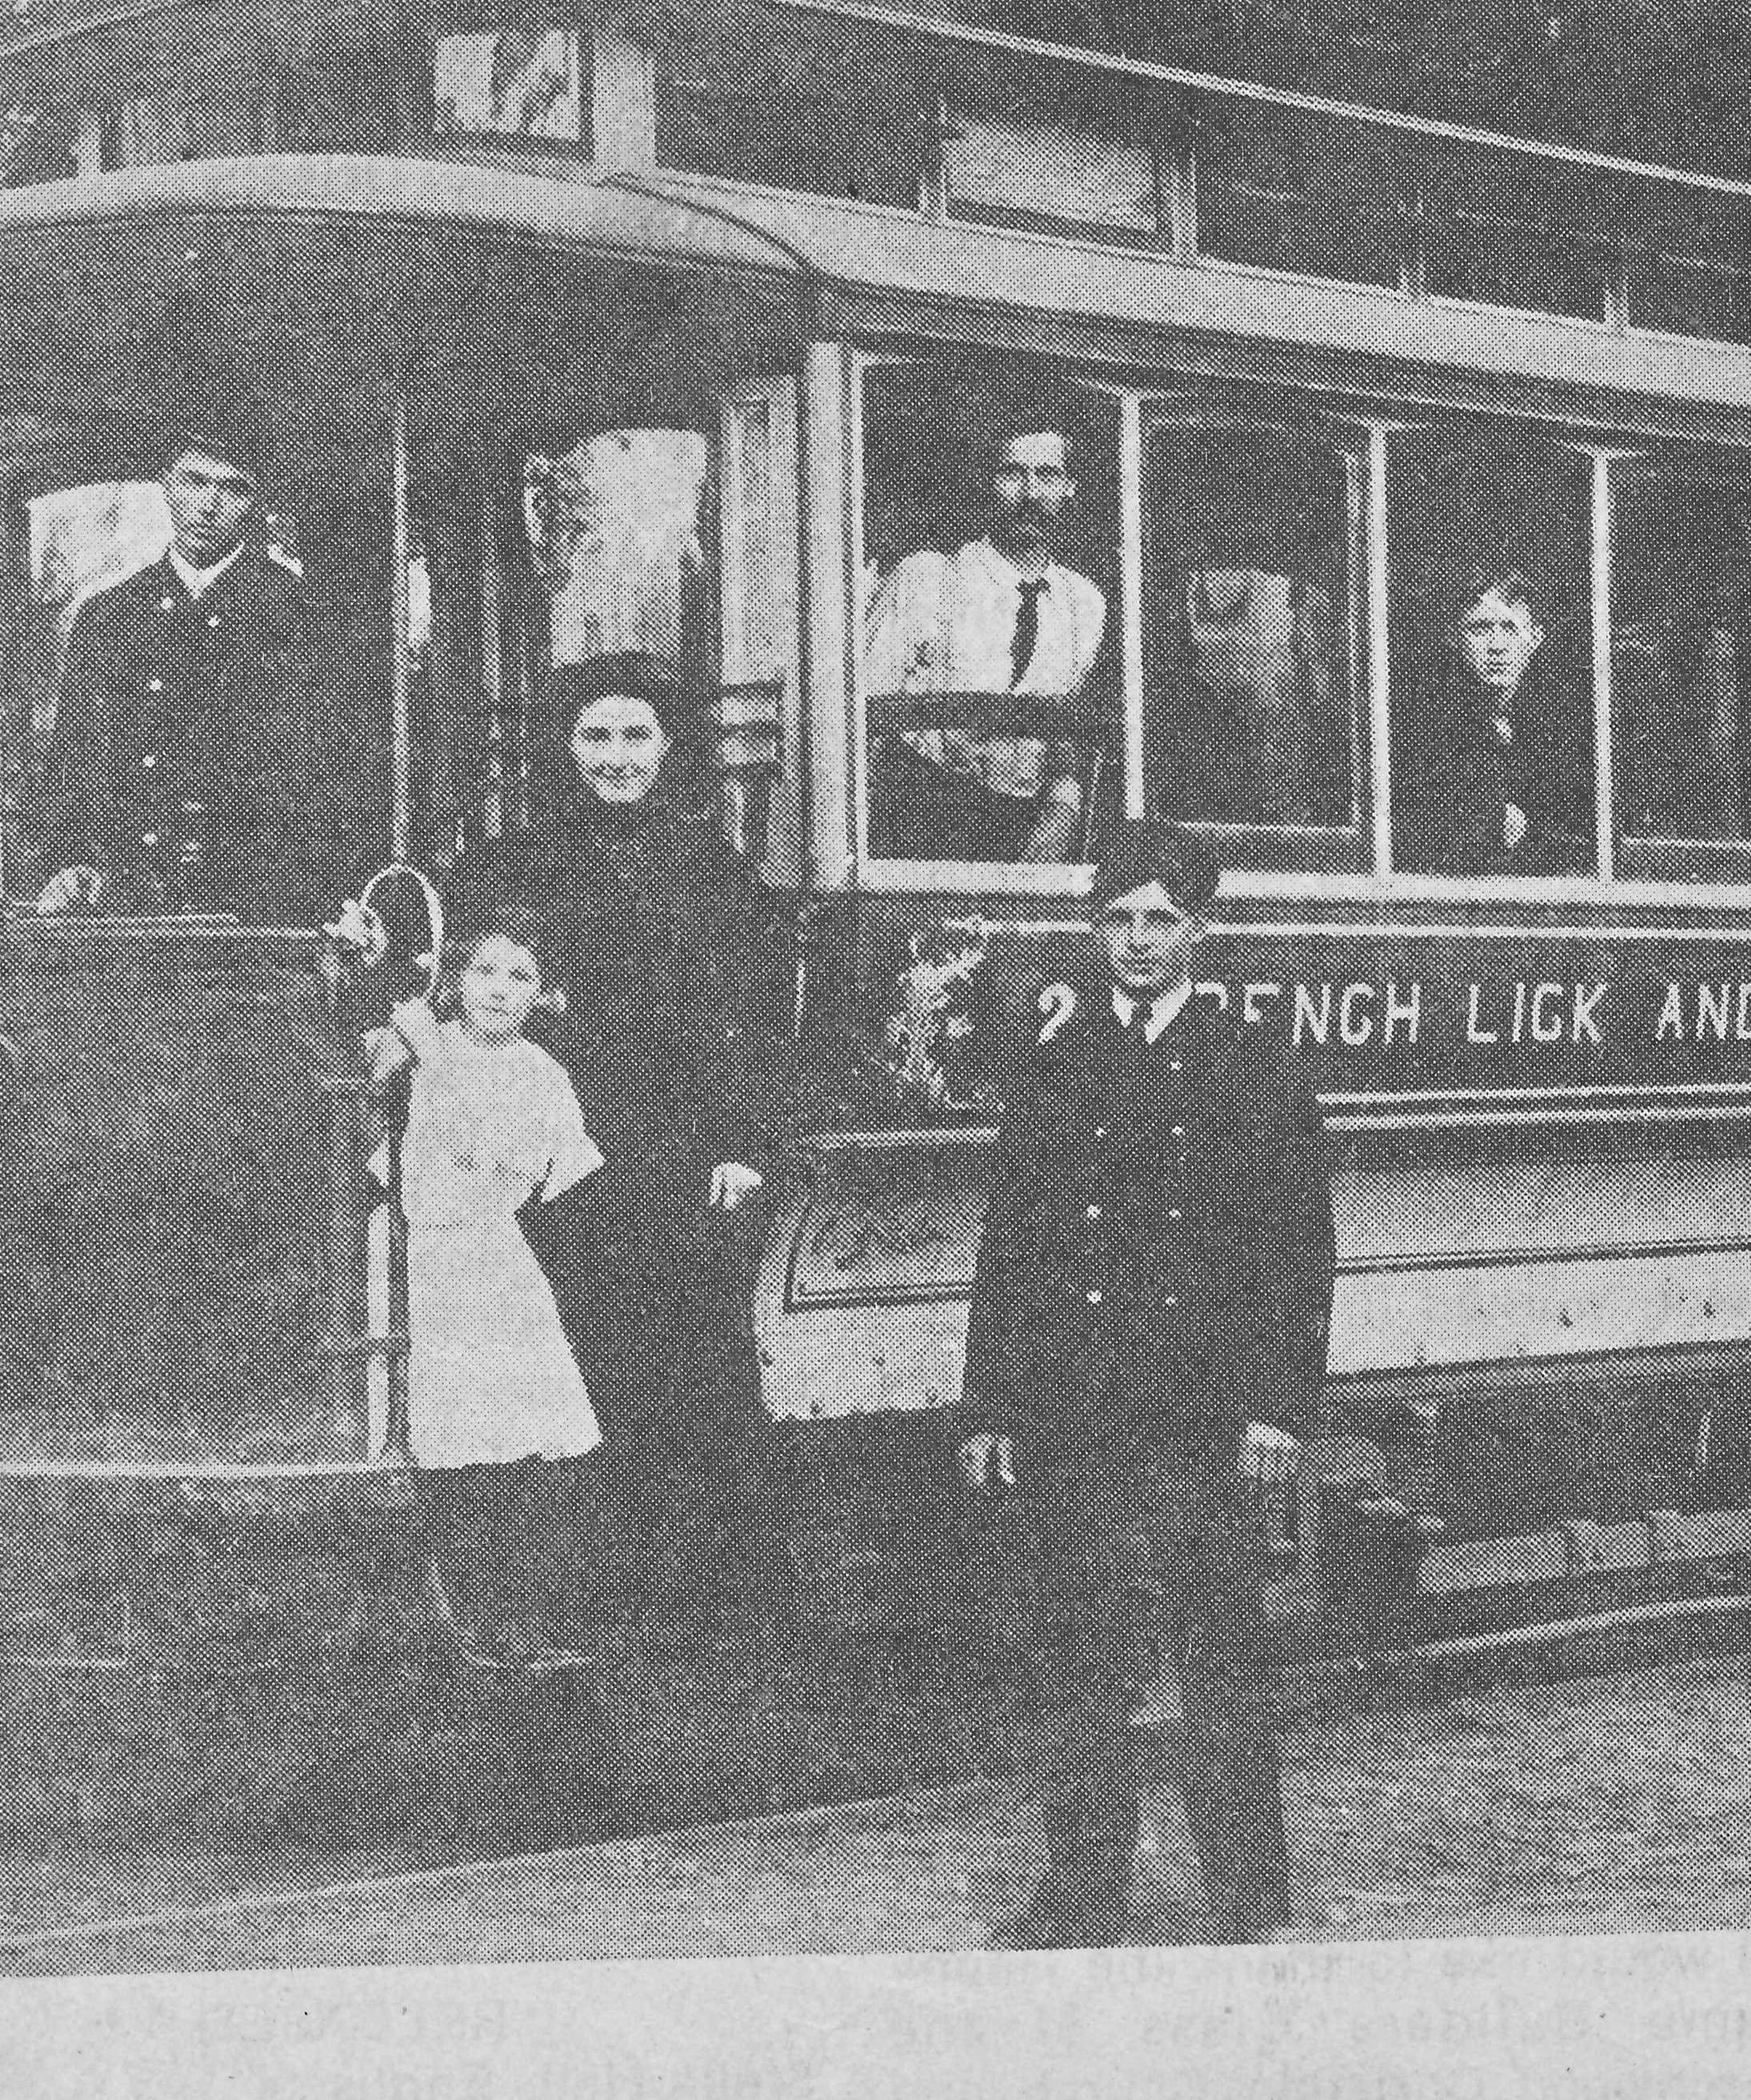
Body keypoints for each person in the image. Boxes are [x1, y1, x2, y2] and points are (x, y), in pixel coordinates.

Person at [960, 818, 1336, 1948]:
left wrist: (1279, 1407)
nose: (1136, 941)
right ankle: (1080, 1896)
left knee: (1220, 1655)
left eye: (1159, 920)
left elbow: (1296, 1251)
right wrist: (989, 1406)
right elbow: (1014, 1246)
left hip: (1203, 1415)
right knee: (1079, 1659)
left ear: (1199, 931)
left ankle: (1250, 1894)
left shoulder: (1254, 1066)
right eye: (1117, 919)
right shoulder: (1062, 1062)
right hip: (1078, 1410)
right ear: (1094, 930)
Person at [447, 650, 789, 1628]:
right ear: (565, 746)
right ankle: (581, 1597)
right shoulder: (509, 865)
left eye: (636, 734)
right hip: (552, 1151)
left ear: (668, 745)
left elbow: (749, 1014)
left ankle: (703, 1603)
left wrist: (742, 1142)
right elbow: (474, 1002)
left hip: (679, 1156)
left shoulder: (712, 869)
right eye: (594, 735)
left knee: (687, 1366)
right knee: (572, 1360)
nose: (615, 756)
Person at [367, 908, 605, 1650]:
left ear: (543, 993)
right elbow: (358, 1092)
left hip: (487, 1263)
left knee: (516, 1437)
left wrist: (433, 1057)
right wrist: (384, 1013)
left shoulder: (538, 1074)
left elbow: (491, 1157)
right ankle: (447, 1613)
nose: (500, 990)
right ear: (454, 977)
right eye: (483, 971)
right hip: (413, 1257)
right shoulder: (422, 1044)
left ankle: (522, 1617)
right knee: (433, 1439)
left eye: (521, 976)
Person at [35, 406, 359, 922]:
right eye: (193, 481)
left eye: (233, 490)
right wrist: (69, 865)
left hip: (254, 905)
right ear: (166, 484)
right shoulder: (110, 615)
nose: (208, 505)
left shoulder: (302, 618)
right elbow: (72, 762)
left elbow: (329, 777)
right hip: (122, 899)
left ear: (256, 503)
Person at [864, 423, 1106, 863]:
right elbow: (860, 718)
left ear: (1070, 488)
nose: (1030, 494)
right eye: (1013, 473)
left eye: (1048, 476)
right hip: (918, 813)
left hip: (1023, 826)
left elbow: (1068, 738)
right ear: (991, 484)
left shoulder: (1084, 605)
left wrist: (1060, 816)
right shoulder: (929, 579)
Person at [1397, 570, 1593, 876]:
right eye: (1480, 628)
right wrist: (1490, 822)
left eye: (1511, 629)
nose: (1497, 645)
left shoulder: (1565, 729)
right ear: (1455, 638)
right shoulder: (1428, 727)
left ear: (1535, 639)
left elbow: (1587, 834)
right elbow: (1414, 829)